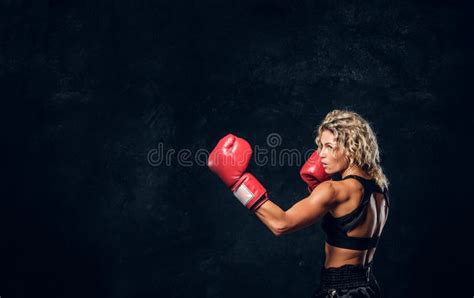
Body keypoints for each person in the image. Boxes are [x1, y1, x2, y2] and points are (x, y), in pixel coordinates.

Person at [207, 109, 390, 297]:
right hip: (368, 289)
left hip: (339, 292)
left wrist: (238, 183)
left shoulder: (334, 190)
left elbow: (281, 224)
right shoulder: (380, 190)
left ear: (351, 146)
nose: (321, 154)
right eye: (320, 146)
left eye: (329, 146)